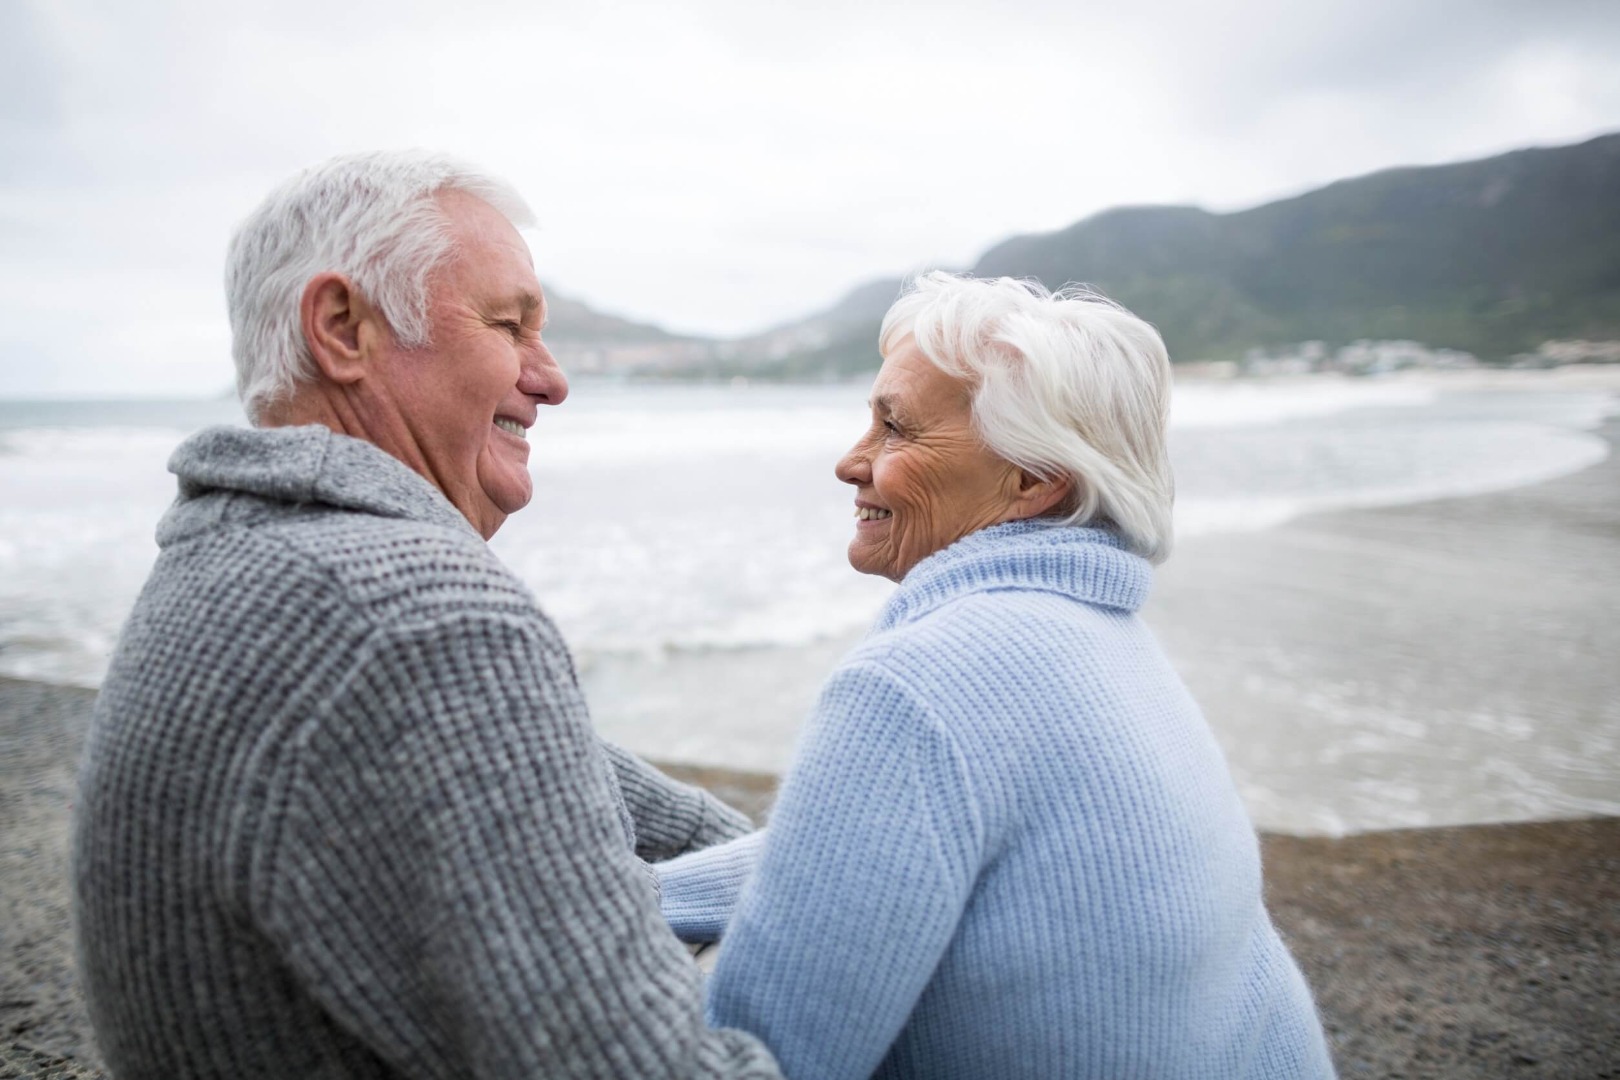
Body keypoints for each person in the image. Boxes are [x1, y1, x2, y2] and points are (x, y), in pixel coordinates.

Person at [71, 151, 782, 1079]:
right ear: (342, 328)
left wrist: (801, 873)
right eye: (509, 325)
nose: (553, 379)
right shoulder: (417, 622)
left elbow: (602, 799)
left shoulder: (245, 566)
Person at [655, 272, 1337, 1078]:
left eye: (895, 429)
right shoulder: (1102, 643)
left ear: (1034, 479)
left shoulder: (921, 688)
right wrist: (627, 896)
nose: (850, 462)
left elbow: (760, 1058)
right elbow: (852, 861)